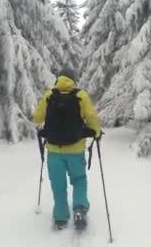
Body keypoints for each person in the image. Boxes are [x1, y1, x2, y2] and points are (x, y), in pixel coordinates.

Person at [33, 68, 102, 230]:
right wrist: (96, 133)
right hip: (76, 149)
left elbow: (37, 118)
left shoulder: (49, 95)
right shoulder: (80, 95)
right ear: (74, 79)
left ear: (58, 79)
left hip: (54, 151)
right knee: (79, 179)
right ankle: (79, 208)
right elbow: (92, 117)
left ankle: (60, 217)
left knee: (58, 184)